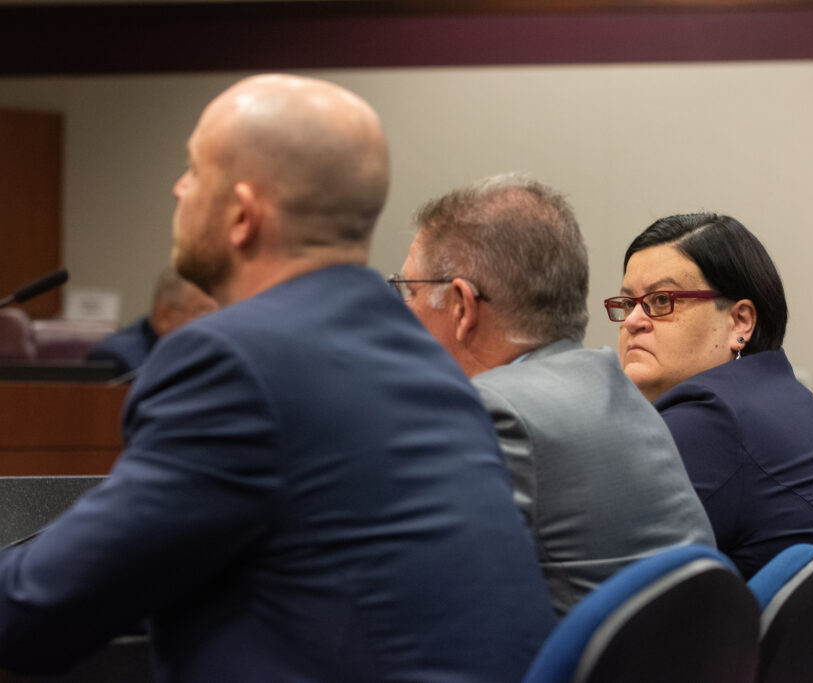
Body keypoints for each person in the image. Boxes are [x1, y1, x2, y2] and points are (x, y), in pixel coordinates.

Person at [0, 75, 556, 681]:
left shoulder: (231, 361)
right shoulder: (421, 357)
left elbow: (36, 611)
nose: (177, 188)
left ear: (241, 214)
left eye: (193, 169)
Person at [607, 212, 813, 683]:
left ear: (740, 320)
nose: (635, 321)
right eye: (627, 302)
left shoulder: (712, 418)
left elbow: (608, 572)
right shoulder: (772, 395)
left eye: (661, 300)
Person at [394, 173, 714, 616]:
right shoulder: (615, 388)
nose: (400, 315)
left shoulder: (492, 413)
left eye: (409, 291)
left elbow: (418, 595)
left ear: (462, 307)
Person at [86, 267, 218, 375]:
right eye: (204, 312)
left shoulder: (212, 356)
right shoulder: (118, 359)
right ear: (165, 316)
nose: (214, 322)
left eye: (219, 311)